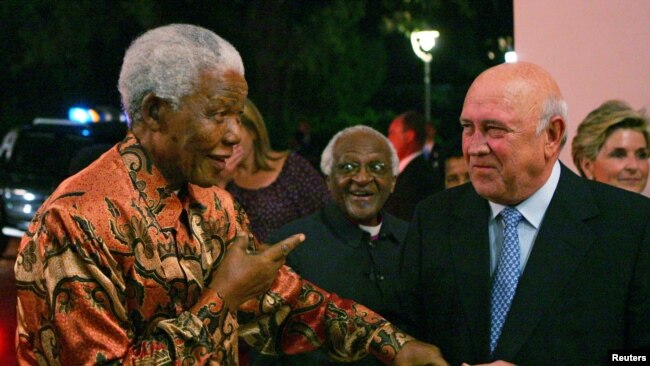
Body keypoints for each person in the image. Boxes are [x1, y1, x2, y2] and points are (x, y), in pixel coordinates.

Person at [14, 24, 448, 366]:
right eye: (218, 114)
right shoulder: (73, 221)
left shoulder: (215, 203)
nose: (235, 135)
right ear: (154, 112)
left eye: (238, 115)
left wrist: (391, 344)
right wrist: (221, 299)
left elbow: (283, 305)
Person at [403, 61, 650, 365]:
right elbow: (407, 336)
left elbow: (637, 357)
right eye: (468, 128)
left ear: (551, 135)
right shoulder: (434, 218)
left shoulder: (631, 225)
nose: (475, 147)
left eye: (494, 129)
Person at [254, 125, 410, 365]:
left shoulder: (416, 240)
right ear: (328, 180)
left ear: (393, 181)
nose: (362, 178)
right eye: (348, 167)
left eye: (376, 167)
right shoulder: (289, 247)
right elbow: (266, 351)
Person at [216, 98, 330, 241]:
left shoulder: (292, 167)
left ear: (254, 132)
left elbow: (328, 217)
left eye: (233, 130)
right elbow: (210, 237)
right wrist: (221, 182)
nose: (228, 140)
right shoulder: (214, 179)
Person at [571, 99, 650, 193]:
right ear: (587, 166)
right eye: (619, 155)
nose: (633, 166)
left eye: (642, 155)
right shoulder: (567, 207)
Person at [384, 111, 442, 221]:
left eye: (392, 133)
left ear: (409, 136)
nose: (388, 140)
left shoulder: (419, 177)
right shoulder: (409, 172)